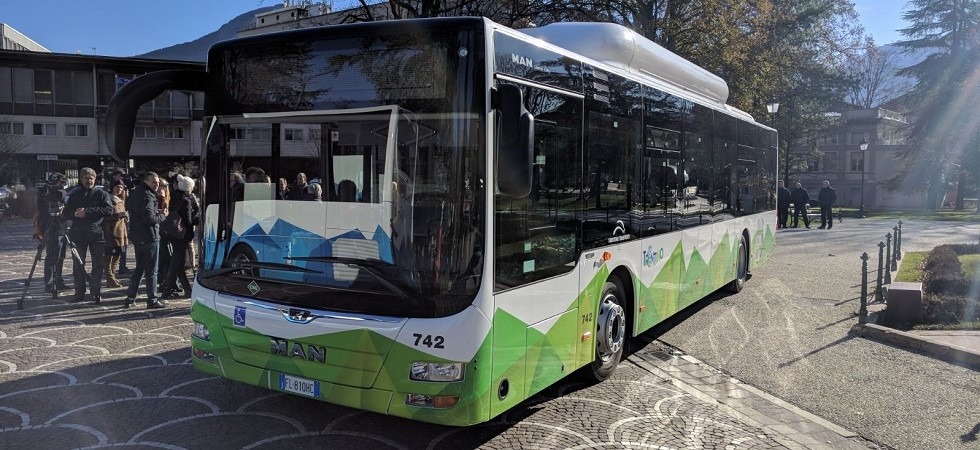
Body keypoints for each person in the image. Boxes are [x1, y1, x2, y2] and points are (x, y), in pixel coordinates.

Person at [62, 167, 113, 304]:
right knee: (78, 265)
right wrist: (74, 214)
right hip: (78, 234)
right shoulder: (75, 194)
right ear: (81, 179)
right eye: (86, 178)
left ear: (95, 179)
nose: (88, 181)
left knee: (98, 264)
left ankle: (95, 292)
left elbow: (109, 210)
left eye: (91, 178)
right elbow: (66, 212)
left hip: (96, 233)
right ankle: (79, 292)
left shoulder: (101, 194)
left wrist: (87, 212)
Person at [125, 172, 168, 309]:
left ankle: (130, 297)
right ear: (146, 181)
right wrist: (162, 216)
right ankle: (152, 299)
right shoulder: (147, 196)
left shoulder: (135, 192)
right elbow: (149, 218)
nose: (156, 185)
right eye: (153, 182)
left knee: (140, 268)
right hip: (149, 236)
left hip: (138, 236)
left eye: (157, 182)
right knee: (151, 271)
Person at [161, 175, 198, 299]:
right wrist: (197, 218)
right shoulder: (186, 201)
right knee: (176, 262)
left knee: (178, 262)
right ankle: (167, 289)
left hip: (174, 233)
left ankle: (186, 288)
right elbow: (188, 221)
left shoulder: (174, 196)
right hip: (182, 235)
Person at [32, 173, 70, 293]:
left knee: (61, 256)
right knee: (52, 255)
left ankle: (58, 280)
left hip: (62, 226)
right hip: (50, 227)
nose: (63, 185)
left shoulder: (62, 194)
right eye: (61, 182)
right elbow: (42, 210)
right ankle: (49, 283)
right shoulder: (45, 195)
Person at [103, 180, 129, 288]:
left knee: (117, 255)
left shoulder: (121, 200)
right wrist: (119, 215)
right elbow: (106, 216)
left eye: (121, 187)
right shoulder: (108, 199)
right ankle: (109, 278)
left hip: (121, 231)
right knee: (109, 257)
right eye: (117, 187)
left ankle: (113, 276)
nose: (119, 189)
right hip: (111, 231)